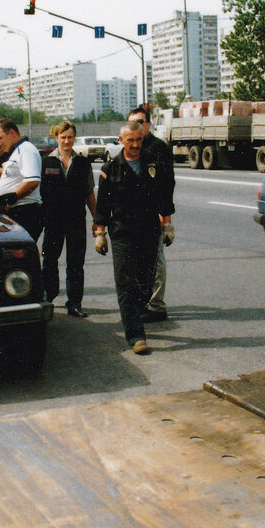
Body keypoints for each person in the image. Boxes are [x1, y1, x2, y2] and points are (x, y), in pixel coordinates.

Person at [93, 121, 175, 355]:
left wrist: (167, 225)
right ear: (121, 140)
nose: (136, 145)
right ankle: (136, 335)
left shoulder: (153, 163)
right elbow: (103, 204)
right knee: (125, 282)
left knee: (146, 281)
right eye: (131, 140)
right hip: (123, 232)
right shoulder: (111, 168)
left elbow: (164, 196)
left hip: (149, 230)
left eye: (139, 140)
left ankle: (135, 315)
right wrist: (100, 233)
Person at [40, 121, 98, 318]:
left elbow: (89, 193)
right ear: (56, 138)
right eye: (63, 137)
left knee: (75, 263)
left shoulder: (83, 163)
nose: (67, 141)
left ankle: (74, 303)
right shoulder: (45, 162)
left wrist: (97, 220)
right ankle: (48, 297)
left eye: (70, 137)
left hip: (76, 221)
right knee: (49, 260)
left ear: (74, 138)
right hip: (53, 220)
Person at [127, 104, 175, 322]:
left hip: (154, 215)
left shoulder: (158, 148)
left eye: (140, 122)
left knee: (155, 260)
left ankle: (156, 305)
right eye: (132, 123)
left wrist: (166, 219)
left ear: (148, 124)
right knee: (137, 262)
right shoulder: (129, 147)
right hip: (133, 216)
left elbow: (167, 185)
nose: (136, 126)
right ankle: (142, 302)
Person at [0, 118, 44, 241]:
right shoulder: (16, 151)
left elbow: (33, 181)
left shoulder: (26, 149)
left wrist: (11, 198)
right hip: (18, 211)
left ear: (12, 133)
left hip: (26, 212)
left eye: (0, 138)